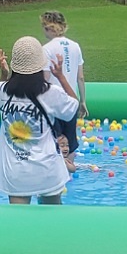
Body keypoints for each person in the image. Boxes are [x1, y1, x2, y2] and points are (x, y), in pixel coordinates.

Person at [0, 36, 79, 204]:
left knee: (19, 226)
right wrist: (60, 76)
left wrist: (3, 75)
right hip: (48, 171)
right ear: (40, 65)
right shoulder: (51, 92)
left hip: (16, 173)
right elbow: (74, 108)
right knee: (52, 224)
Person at [40, 10, 87, 160]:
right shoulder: (75, 46)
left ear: (49, 28)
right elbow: (80, 77)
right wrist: (83, 101)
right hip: (71, 101)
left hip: (53, 103)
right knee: (70, 142)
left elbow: (45, 79)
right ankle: (69, 171)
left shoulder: (46, 49)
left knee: (55, 140)